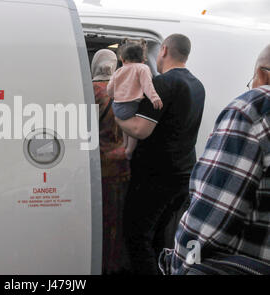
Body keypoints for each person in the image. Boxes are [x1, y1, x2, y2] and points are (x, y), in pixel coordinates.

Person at [159, 44, 270, 275]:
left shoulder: (255, 109)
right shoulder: (195, 85)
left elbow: (206, 227)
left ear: (262, 74)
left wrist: (179, 266)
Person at [116, 34, 206, 274]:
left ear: (163, 50)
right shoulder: (197, 85)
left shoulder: (163, 84)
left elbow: (140, 130)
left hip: (156, 178)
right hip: (183, 176)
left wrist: (117, 116)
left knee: (136, 236)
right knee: (157, 236)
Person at [91, 49, 131, 274]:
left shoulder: (92, 93)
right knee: (118, 221)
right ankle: (115, 266)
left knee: (101, 221)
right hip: (123, 167)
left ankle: (100, 265)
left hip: (100, 167)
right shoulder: (126, 91)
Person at [107, 40, 163, 160]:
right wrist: (154, 97)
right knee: (133, 129)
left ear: (122, 59)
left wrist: (112, 96)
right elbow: (147, 85)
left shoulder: (118, 71)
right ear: (143, 59)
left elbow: (110, 88)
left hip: (117, 106)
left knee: (126, 125)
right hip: (130, 105)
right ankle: (129, 150)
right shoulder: (142, 68)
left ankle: (124, 144)